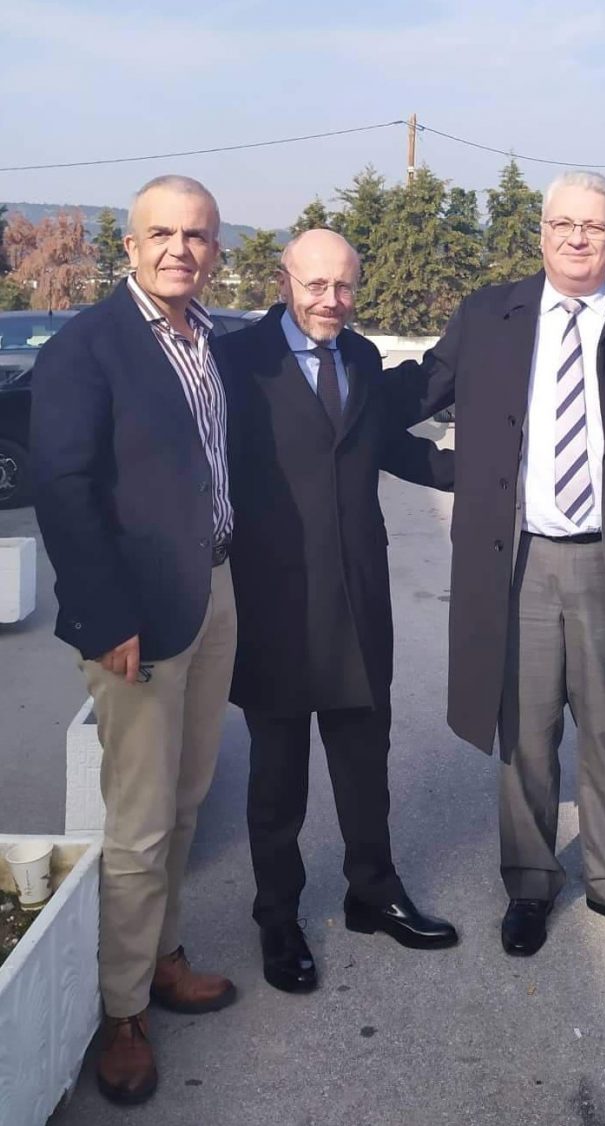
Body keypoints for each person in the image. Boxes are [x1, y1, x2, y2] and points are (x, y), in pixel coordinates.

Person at [392, 170, 605, 956]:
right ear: (541, 232)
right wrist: (358, 415)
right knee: (525, 732)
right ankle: (530, 883)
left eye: (592, 227)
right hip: (520, 559)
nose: (576, 238)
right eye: (563, 224)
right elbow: (417, 395)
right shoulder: (489, 316)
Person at [31, 175, 238, 1105]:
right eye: (161, 234)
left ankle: (162, 954)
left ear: (215, 248)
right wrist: (107, 615)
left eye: (195, 235)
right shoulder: (88, 346)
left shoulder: (207, 338)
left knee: (187, 801)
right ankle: (121, 1012)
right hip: (136, 619)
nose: (178, 250)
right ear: (129, 245)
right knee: (141, 821)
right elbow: (64, 489)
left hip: (213, 594)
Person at [216, 229, 457, 996]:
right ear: (284, 279)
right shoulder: (236, 362)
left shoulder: (360, 357)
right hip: (274, 600)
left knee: (363, 758)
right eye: (316, 285)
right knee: (277, 777)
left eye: (345, 286)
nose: (332, 300)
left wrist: (484, 475)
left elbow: (384, 446)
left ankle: (372, 892)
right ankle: (277, 916)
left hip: (358, 594)